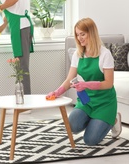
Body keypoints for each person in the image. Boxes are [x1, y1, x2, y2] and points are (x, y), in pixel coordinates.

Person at [46, 17, 122, 146]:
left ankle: (113, 120)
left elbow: (108, 83)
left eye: (83, 34)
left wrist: (86, 84)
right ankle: (94, 121)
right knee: (72, 126)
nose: (79, 38)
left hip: (104, 103)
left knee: (90, 141)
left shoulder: (105, 54)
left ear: (91, 33)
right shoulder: (78, 54)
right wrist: (56, 92)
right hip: (86, 101)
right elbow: (69, 79)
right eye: (77, 34)